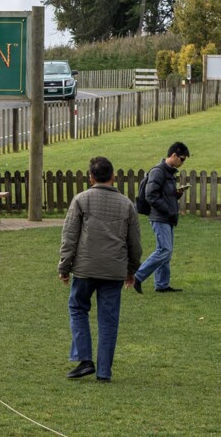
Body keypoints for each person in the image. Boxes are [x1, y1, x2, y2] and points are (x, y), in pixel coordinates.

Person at [58, 157, 142, 381]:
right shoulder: (126, 204)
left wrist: (64, 266)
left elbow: (70, 237)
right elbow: (135, 243)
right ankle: (104, 371)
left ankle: (85, 359)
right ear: (113, 176)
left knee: (77, 308)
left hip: (85, 268)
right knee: (108, 319)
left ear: (91, 177)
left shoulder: (81, 200)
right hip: (114, 270)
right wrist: (131, 271)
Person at [132, 141, 190, 294]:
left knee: (166, 251)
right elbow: (151, 195)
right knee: (164, 250)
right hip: (160, 216)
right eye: (182, 159)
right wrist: (167, 211)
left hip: (167, 216)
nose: (182, 163)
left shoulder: (169, 172)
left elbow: (162, 194)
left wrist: (176, 194)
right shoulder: (159, 171)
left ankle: (162, 284)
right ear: (174, 155)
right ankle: (137, 277)